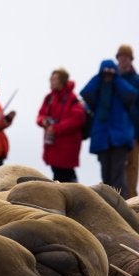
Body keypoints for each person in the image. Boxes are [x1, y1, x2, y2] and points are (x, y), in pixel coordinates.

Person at [80, 59, 138, 198]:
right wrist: (99, 75)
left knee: (118, 174)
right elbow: (85, 92)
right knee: (106, 176)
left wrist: (116, 77)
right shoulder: (98, 92)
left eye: (110, 72)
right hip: (102, 138)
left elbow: (132, 94)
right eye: (104, 73)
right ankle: (109, 205)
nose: (107, 75)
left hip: (120, 138)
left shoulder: (121, 91)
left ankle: (122, 207)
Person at [36, 68, 85, 182]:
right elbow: (40, 116)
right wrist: (43, 121)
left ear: (62, 81)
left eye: (55, 79)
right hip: (53, 144)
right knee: (58, 174)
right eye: (51, 79)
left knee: (66, 175)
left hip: (67, 145)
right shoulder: (49, 98)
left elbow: (77, 119)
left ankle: (75, 196)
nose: (51, 81)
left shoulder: (72, 99)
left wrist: (56, 128)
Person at [116, 44, 139, 198]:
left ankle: (131, 200)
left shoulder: (136, 80)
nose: (123, 60)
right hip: (117, 132)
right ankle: (120, 199)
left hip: (134, 132)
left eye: (126, 57)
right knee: (118, 167)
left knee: (132, 166)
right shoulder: (112, 81)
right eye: (120, 57)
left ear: (131, 60)